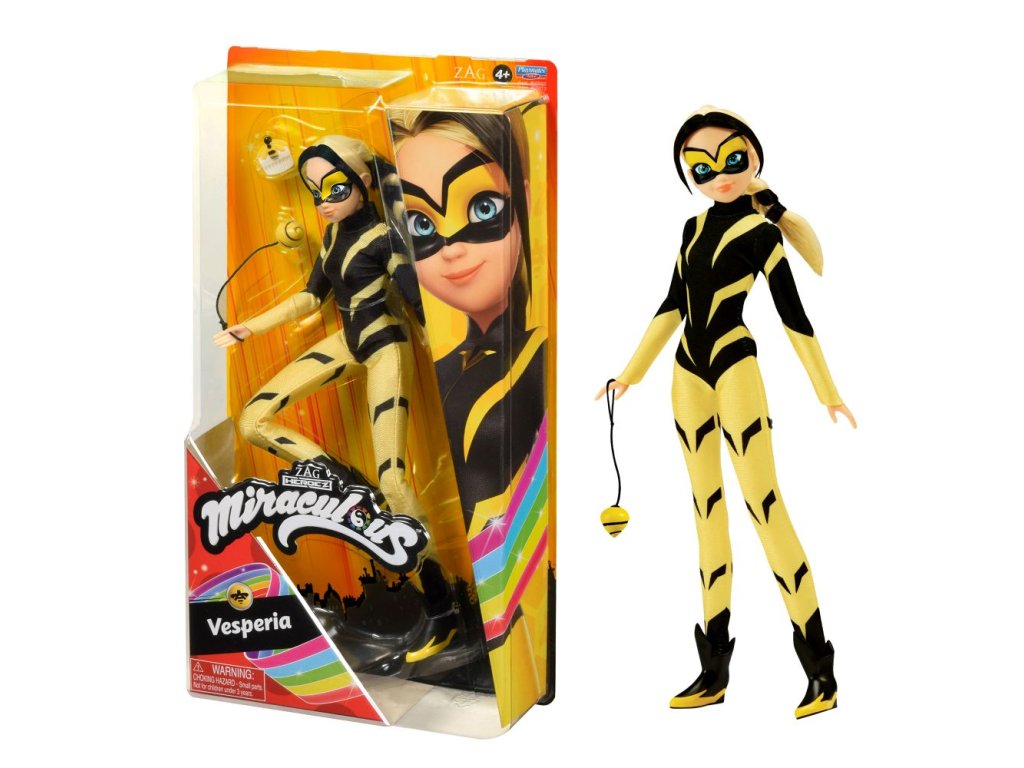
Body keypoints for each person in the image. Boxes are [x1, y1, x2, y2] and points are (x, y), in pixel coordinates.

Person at [597, 107, 855, 719]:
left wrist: (827, 390)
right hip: (687, 374)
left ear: (755, 158)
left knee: (765, 508)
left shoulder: (763, 233)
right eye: (703, 168)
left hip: (736, 367)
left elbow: (794, 315)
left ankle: (820, 673)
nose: (720, 175)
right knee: (705, 512)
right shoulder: (690, 229)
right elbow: (671, 306)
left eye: (733, 161)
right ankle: (713, 671)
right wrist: (629, 373)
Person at [214, 134, 456, 664]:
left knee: (394, 482)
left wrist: (454, 356)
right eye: (315, 191)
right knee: (253, 419)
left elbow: (416, 299)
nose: (323, 201)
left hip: (386, 348)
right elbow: (310, 296)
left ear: (364, 181)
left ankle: (441, 604)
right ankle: (336, 481)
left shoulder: (384, 238)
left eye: (335, 188)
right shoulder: (331, 238)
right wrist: (248, 327)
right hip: (348, 341)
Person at [391, 110, 547, 535]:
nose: (451, 248)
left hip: (519, 564)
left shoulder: (544, 358)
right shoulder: (433, 371)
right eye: (421, 224)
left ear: (523, 202)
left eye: (482, 207)